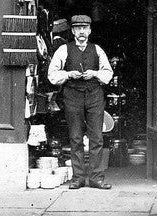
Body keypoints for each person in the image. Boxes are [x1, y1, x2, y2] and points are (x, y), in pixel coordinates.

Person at [48, 14, 113, 190]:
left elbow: (108, 73)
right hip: (72, 96)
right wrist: (68, 74)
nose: (82, 32)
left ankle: (96, 178)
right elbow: (52, 74)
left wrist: (96, 74)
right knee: (75, 137)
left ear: (90, 30)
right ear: (73, 31)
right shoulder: (64, 50)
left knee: (97, 138)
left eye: (85, 28)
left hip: (94, 95)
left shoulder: (97, 50)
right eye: (78, 28)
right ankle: (77, 178)